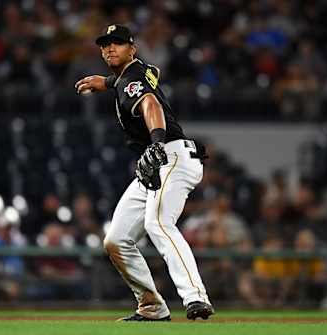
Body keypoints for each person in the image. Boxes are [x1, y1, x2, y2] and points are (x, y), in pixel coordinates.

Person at [74, 24, 214, 321]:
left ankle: (195, 298)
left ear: (132, 48)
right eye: (105, 45)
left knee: (158, 223)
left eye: (118, 43)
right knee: (116, 239)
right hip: (157, 161)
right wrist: (109, 81)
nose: (109, 48)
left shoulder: (129, 80)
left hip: (169, 154)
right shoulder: (133, 74)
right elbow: (151, 76)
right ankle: (151, 306)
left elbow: (150, 104)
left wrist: (156, 143)